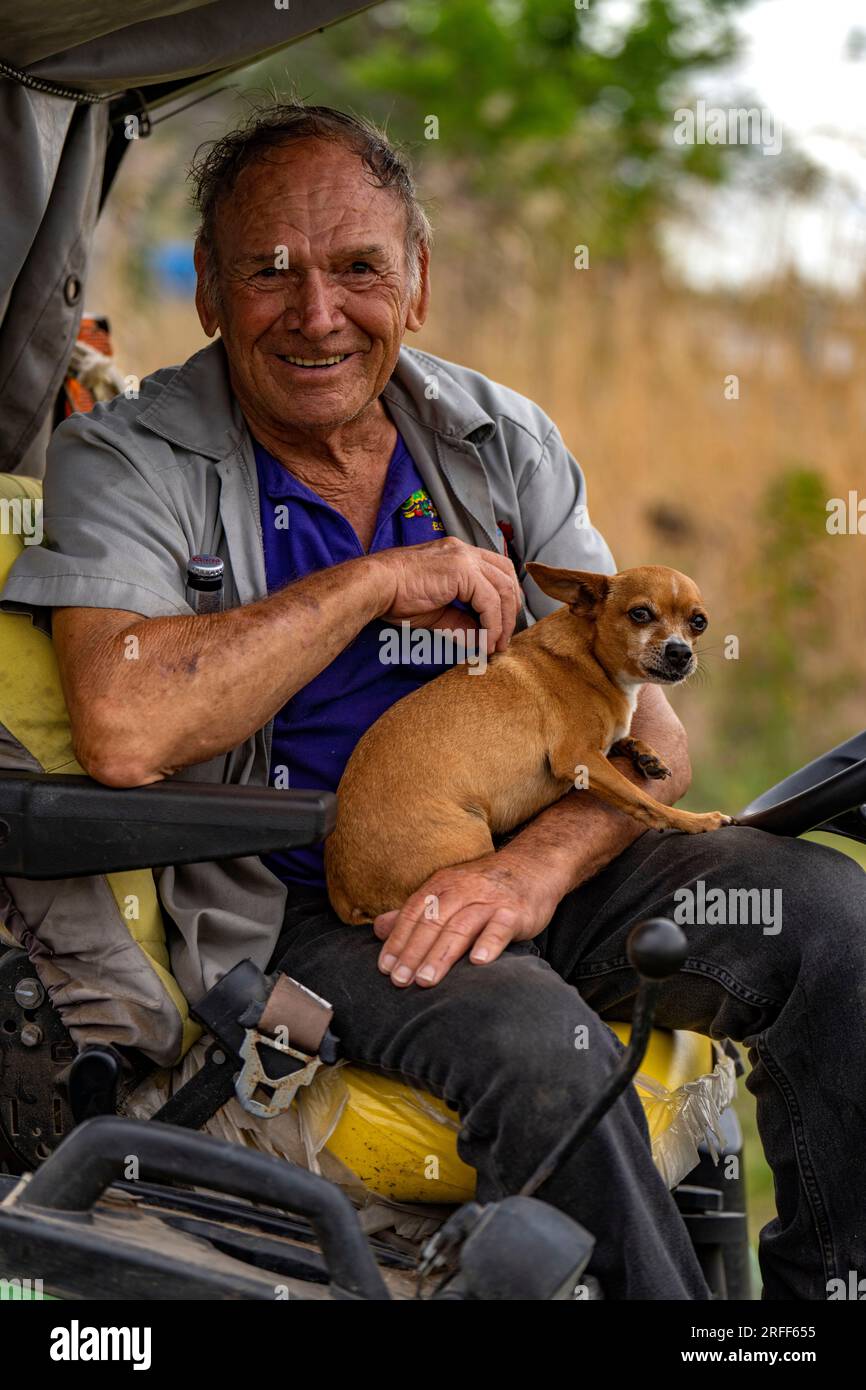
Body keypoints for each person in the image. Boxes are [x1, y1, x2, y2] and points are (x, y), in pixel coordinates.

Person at [3, 101, 864, 1300]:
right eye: (268, 272)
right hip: (325, 908)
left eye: (358, 268)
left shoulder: (499, 434)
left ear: (416, 281)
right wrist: (375, 582)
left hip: (536, 850)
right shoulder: (127, 457)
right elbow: (126, 727)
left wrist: (529, 872)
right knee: (546, 1053)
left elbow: (648, 742)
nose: (316, 313)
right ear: (207, 292)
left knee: (827, 918)